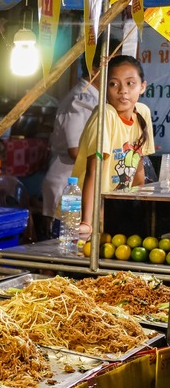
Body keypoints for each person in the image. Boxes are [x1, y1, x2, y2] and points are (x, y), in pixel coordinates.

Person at [72, 55, 155, 240]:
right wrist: (87, 221)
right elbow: (94, 170)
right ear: (104, 87)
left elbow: (138, 166)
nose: (123, 91)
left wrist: (141, 207)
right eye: (113, 84)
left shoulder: (143, 113)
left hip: (115, 208)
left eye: (130, 83)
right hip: (88, 207)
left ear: (142, 86)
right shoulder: (106, 115)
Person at [41, 40, 113, 238]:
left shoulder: (98, 98)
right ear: (96, 68)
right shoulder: (79, 100)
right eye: (113, 64)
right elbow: (75, 150)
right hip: (69, 184)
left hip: (83, 184)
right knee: (63, 252)